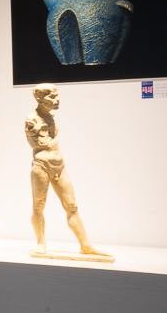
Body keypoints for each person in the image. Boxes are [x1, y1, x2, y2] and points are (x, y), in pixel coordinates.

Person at [24, 84, 109, 258]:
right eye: (52, 97)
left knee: (71, 205)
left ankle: (85, 245)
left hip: (59, 164)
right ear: (39, 98)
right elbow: (40, 144)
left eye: (57, 96)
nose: (57, 100)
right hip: (41, 165)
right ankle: (40, 243)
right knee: (38, 206)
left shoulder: (51, 117)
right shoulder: (32, 119)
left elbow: (50, 143)